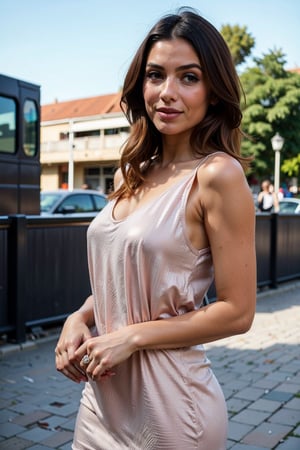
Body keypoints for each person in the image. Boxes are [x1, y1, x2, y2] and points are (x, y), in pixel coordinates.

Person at [55, 8, 256, 450]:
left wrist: (131, 337)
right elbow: (131, 282)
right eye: (155, 75)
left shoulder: (217, 176)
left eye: (188, 77)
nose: (167, 92)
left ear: (213, 91)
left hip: (172, 412)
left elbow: (238, 312)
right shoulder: (131, 174)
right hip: (101, 404)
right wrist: (80, 318)